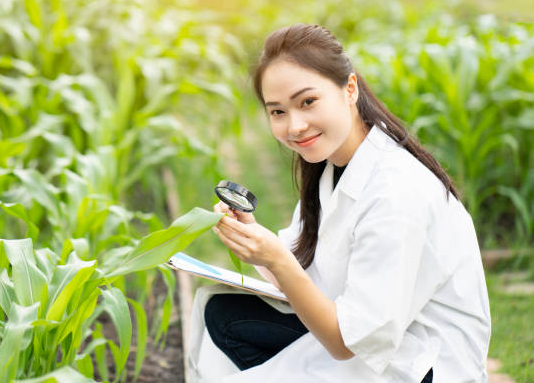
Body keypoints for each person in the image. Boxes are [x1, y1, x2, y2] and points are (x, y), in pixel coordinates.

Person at [187, 23, 491, 382]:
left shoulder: (397, 192)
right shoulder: (332, 168)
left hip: (421, 365)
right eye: (278, 111)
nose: (295, 125)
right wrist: (254, 239)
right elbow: (306, 272)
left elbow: (347, 341)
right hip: (374, 347)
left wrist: (276, 258)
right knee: (224, 313)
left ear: (349, 88)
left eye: (308, 102)